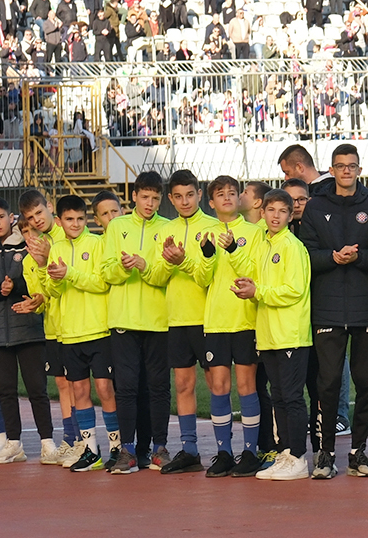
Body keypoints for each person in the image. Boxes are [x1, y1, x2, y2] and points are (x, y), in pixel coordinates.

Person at [296, 144, 368, 479]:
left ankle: (358, 452)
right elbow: (307, 253)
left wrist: (358, 258)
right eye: (340, 166)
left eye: (352, 166)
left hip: (366, 309)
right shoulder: (316, 207)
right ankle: (325, 453)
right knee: (328, 382)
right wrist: (333, 257)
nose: (346, 171)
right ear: (331, 170)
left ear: (360, 170)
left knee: (364, 383)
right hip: (328, 309)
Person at [40, 196, 122, 473]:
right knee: (79, 390)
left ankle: (116, 446)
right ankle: (90, 450)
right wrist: (51, 277)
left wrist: (70, 273)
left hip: (98, 330)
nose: (75, 224)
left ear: (87, 220)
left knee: (104, 388)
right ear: (60, 221)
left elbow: (102, 283)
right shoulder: (56, 248)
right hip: (69, 333)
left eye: (79, 219)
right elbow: (52, 292)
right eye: (69, 219)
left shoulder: (97, 244)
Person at [0, 197, 54, 465]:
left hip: (29, 330)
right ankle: (14, 444)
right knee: (6, 391)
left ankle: (47, 442)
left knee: (37, 389)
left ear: (11, 218)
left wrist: (14, 286)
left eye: (1, 217)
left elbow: (35, 279)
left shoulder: (28, 243)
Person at [101, 172, 174, 473]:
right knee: (127, 387)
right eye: (145, 197)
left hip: (158, 320)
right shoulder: (117, 227)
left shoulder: (168, 228)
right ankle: (127, 450)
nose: (150, 203)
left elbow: (163, 275)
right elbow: (106, 272)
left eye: (156, 198)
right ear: (134, 197)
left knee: (157, 387)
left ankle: (158, 447)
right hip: (124, 319)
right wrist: (122, 266)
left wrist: (144, 267)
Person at [195, 176, 265, 477]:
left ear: (239, 198)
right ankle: (224, 452)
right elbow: (201, 278)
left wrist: (234, 249)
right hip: (216, 321)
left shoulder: (254, 232)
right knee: (219, 387)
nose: (226, 198)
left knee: (247, 386)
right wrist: (209, 255)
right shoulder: (205, 233)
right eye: (220, 194)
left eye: (232, 193)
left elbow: (254, 273)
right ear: (210, 202)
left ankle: (249, 453)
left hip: (246, 319)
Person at [241, 189, 313, 481]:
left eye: (283, 211)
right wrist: (249, 286)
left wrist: (258, 292)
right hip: (269, 334)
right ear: (262, 212)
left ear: (290, 214)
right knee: (279, 397)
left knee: (293, 397)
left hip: (291, 335)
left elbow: (294, 290)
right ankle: (285, 452)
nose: (276, 216)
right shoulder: (264, 245)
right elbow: (258, 282)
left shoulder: (292, 246)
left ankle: (298, 457)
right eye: (271, 210)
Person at [158, 170, 218, 475]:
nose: (185, 201)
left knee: (215, 384)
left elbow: (208, 276)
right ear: (170, 198)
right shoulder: (165, 231)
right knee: (183, 384)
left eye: (190, 195)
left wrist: (184, 261)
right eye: (178, 196)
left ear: (199, 194)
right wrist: (168, 262)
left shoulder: (213, 227)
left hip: (207, 318)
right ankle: (190, 449)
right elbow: (154, 277)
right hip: (177, 318)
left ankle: (224, 450)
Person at [18, 190, 77, 465]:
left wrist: (50, 256)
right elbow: (44, 294)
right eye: (30, 218)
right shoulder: (32, 252)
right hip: (54, 327)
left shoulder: (69, 235)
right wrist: (37, 300)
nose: (37, 220)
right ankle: (70, 439)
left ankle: (83, 441)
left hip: (80, 323)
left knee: (83, 385)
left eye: (39, 213)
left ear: (49, 207)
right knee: (63, 384)